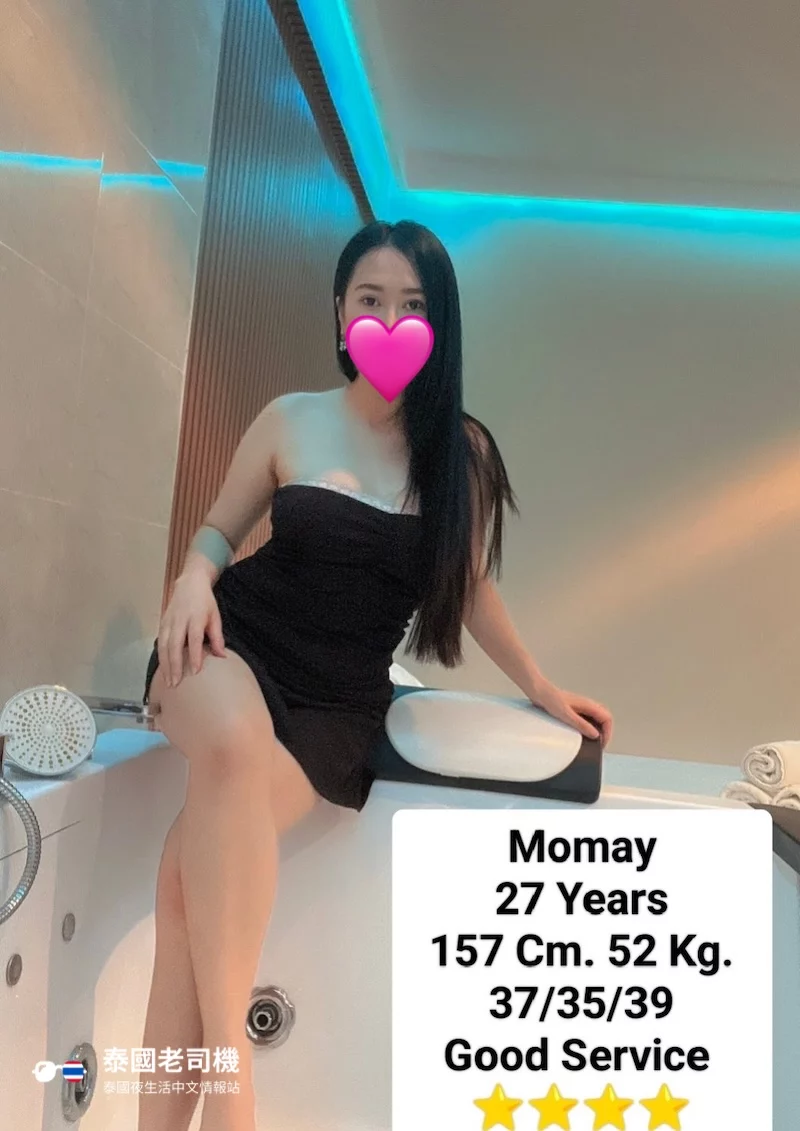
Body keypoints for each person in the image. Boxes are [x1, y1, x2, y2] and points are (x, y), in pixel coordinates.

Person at [137, 219, 613, 1131]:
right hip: (229, 646)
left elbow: (468, 589)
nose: (389, 319)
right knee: (231, 742)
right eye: (370, 299)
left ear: (440, 323)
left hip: (337, 703)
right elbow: (218, 529)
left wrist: (543, 688)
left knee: (184, 888)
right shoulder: (291, 416)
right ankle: (234, 1093)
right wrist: (193, 579)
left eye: (412, 304)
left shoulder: (459, 453)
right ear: (340, 312)